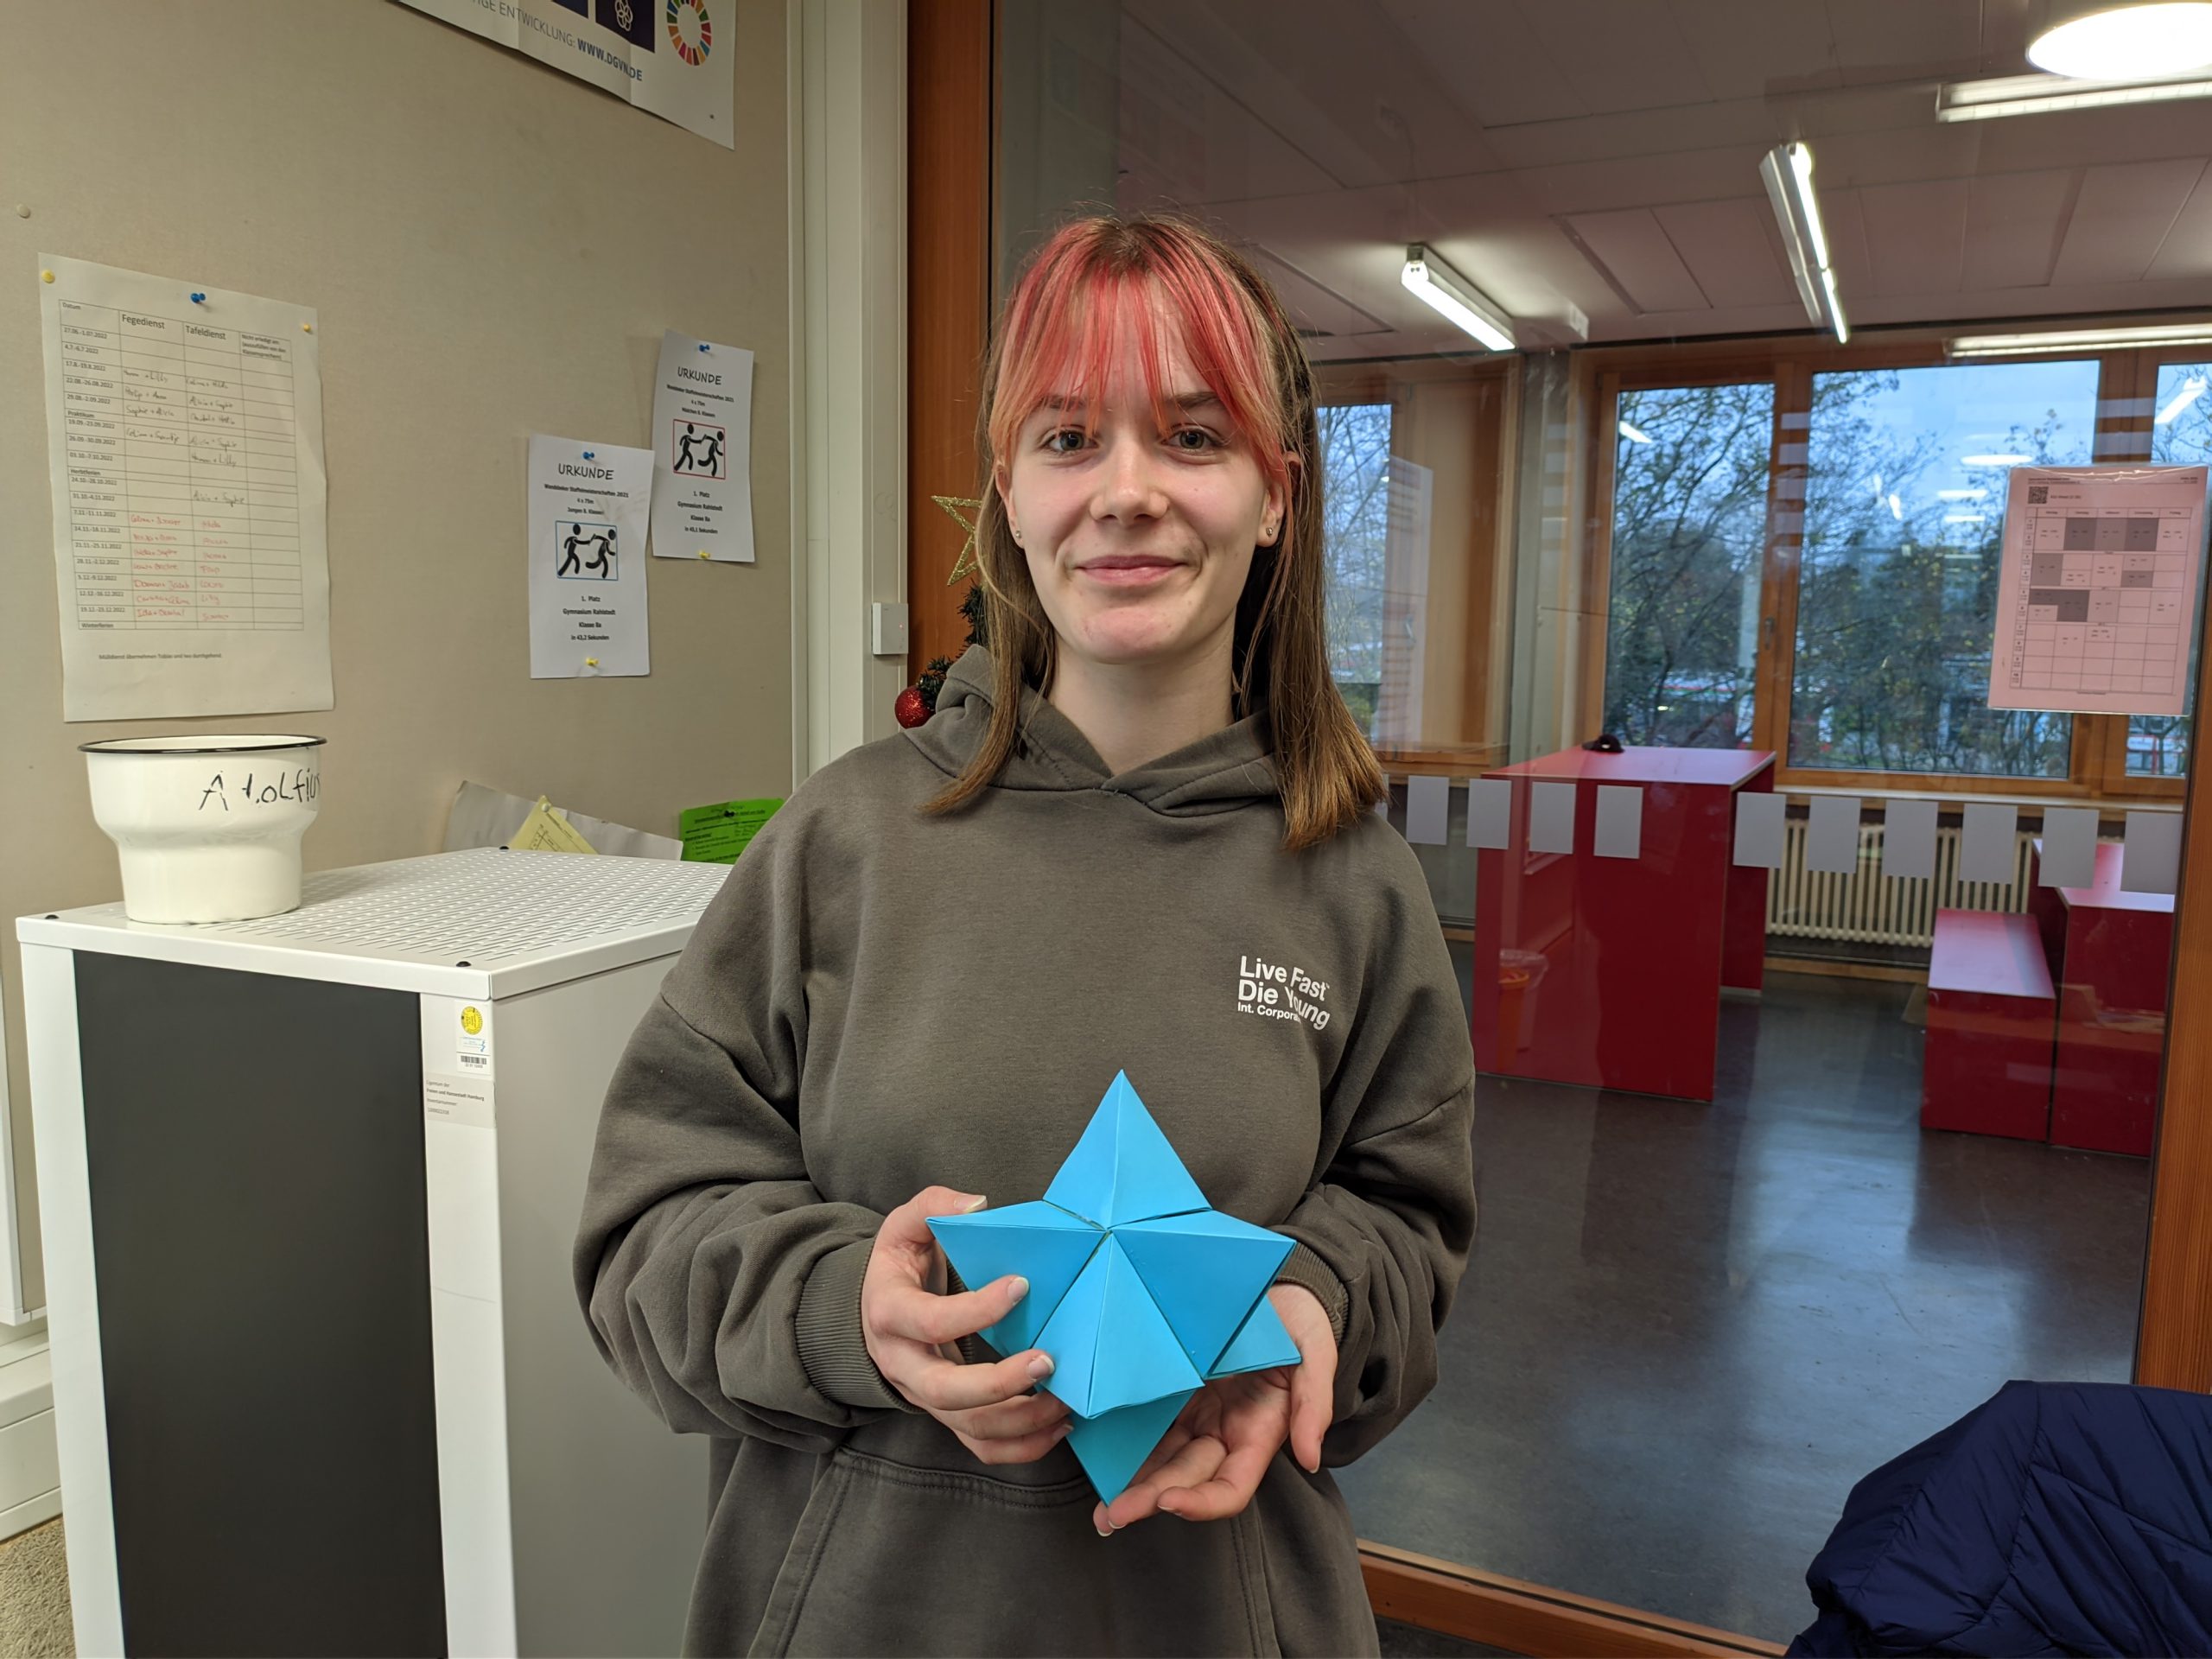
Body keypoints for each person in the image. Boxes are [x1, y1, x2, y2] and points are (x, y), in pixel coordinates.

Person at [574, 214, 1477, 1656]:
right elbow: (643, 1239)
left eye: (1193, 436)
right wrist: (844, 1309)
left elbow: (1407, 1230)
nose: (1126, 493)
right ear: (1009, 491)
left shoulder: (1355, 883)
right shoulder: (842, 841)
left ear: (1275, 497)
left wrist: (1308, 1308)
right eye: (1068, 438)